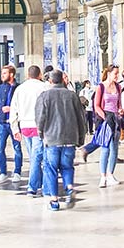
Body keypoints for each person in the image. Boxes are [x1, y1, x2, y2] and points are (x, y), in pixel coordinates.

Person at [35, 69, 88, 210]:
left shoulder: (44, 96)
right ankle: (69, 188)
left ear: (50, 81)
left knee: (50, 168)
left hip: (52, 139)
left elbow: (40, 118)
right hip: (70, 137)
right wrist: (81, 138)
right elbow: (80, 118)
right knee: (67, 166)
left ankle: (54, 201)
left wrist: (41, 133)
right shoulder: (72, 96)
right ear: (63, 80)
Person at [9, 65, 50, 197]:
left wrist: (15, 129)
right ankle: (32, 187)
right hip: (39, 126)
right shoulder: (44, 87)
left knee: (34, 156)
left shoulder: (20, 89)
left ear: (28, 75)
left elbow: (13, 109)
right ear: (40, 75)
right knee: (36, 157)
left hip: (25, 127)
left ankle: (41, 183)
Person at [89, 65, 123, 187]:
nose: (117, 76)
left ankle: (110, 174)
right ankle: (103, 176)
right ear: (109, 74)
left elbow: (119, 103)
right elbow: (96, 105)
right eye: (115, 73)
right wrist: (105, 117)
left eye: (118, 73)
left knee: (114, 148)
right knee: (105, 148)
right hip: (105, 119)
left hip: (116, 119)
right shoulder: (101, 87)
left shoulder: (118, 87)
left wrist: (120, 111)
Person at [0, 65, 23, 185]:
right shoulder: (0, 87)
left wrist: (11, 108)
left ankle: (17, 172)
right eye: (2, 73)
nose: (2, 75)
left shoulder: (18, 88)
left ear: (11, 74)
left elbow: (21, 104)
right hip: (2, 122)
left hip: (14, 122)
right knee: (0, 148)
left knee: (17, 148)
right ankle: (3, 172)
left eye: (5, 73)